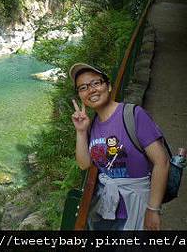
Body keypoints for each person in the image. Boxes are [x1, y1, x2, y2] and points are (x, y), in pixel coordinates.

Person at [69, 63, 169, 230]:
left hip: (136, 208)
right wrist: (81, 131)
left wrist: (153, 209)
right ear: (80, 95)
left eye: (96, 83)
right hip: (105, 209)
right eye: (83, 87)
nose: (91, 90)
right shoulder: (92, 125)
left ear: (108, 86)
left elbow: (162, 162)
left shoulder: (133, 115)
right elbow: (84, 164)